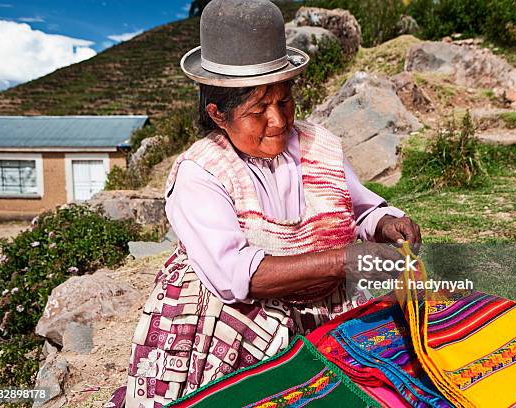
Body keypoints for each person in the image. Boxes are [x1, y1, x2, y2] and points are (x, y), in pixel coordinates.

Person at [107, 1, 420, 407]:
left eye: (284, 101)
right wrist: (344, 260)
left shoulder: (319, 145)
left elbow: (359, 209)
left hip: (324, 299)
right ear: (218, 114)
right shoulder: (199, 173)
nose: (278, 120)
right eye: (258, 110)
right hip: (236, 315)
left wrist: (384, 223)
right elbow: (235, 276)